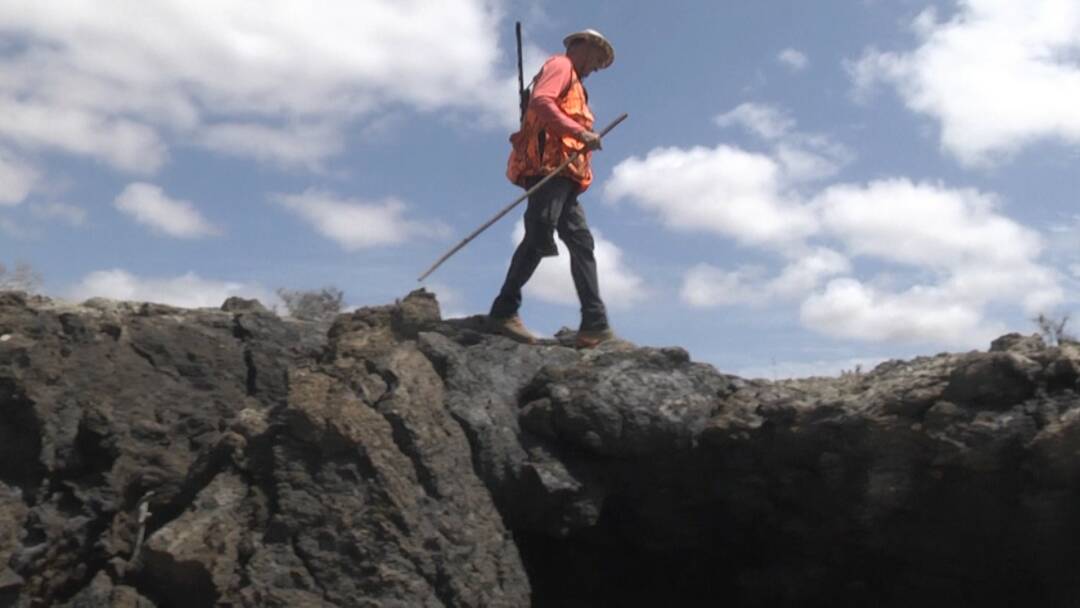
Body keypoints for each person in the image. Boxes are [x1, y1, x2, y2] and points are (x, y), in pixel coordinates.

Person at [488, 28, 617, 349]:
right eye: (598, 60)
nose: (597, 68)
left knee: (579, 240)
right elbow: (542, 101)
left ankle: (594, 324)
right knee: (541, 230)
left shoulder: (576, 84)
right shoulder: (560, 66)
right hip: (548, 168)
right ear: (584, 47)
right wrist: (580, 132)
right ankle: (504, 311)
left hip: (565, 174)